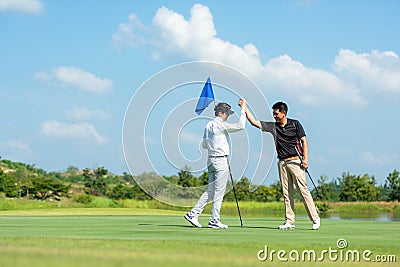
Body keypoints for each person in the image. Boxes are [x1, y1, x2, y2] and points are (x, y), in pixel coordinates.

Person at [243, 100, 320, 230]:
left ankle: (315, 219)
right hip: (282, 163)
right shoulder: (273, 127)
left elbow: (304, 141)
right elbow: (254, 122)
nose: (274, 116)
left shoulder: (295, 124)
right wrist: (244, 108)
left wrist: (306, 159)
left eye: (276, 114)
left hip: (296, 161)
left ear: (283, 113)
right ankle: (290, 221)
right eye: (274, 114)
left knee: (303, 191)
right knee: (287, 193)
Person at [184, 100, 246, 229]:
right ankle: (214, 220)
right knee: (219, 192)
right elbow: (241, 126)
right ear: (221, 113)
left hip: (210, 160)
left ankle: (193, 214)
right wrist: (243, 109)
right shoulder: (220, 125)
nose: (228, 116)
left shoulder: (208, 125)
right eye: (227, 113)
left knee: (211, 190)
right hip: (220, 160)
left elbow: (204, 144)